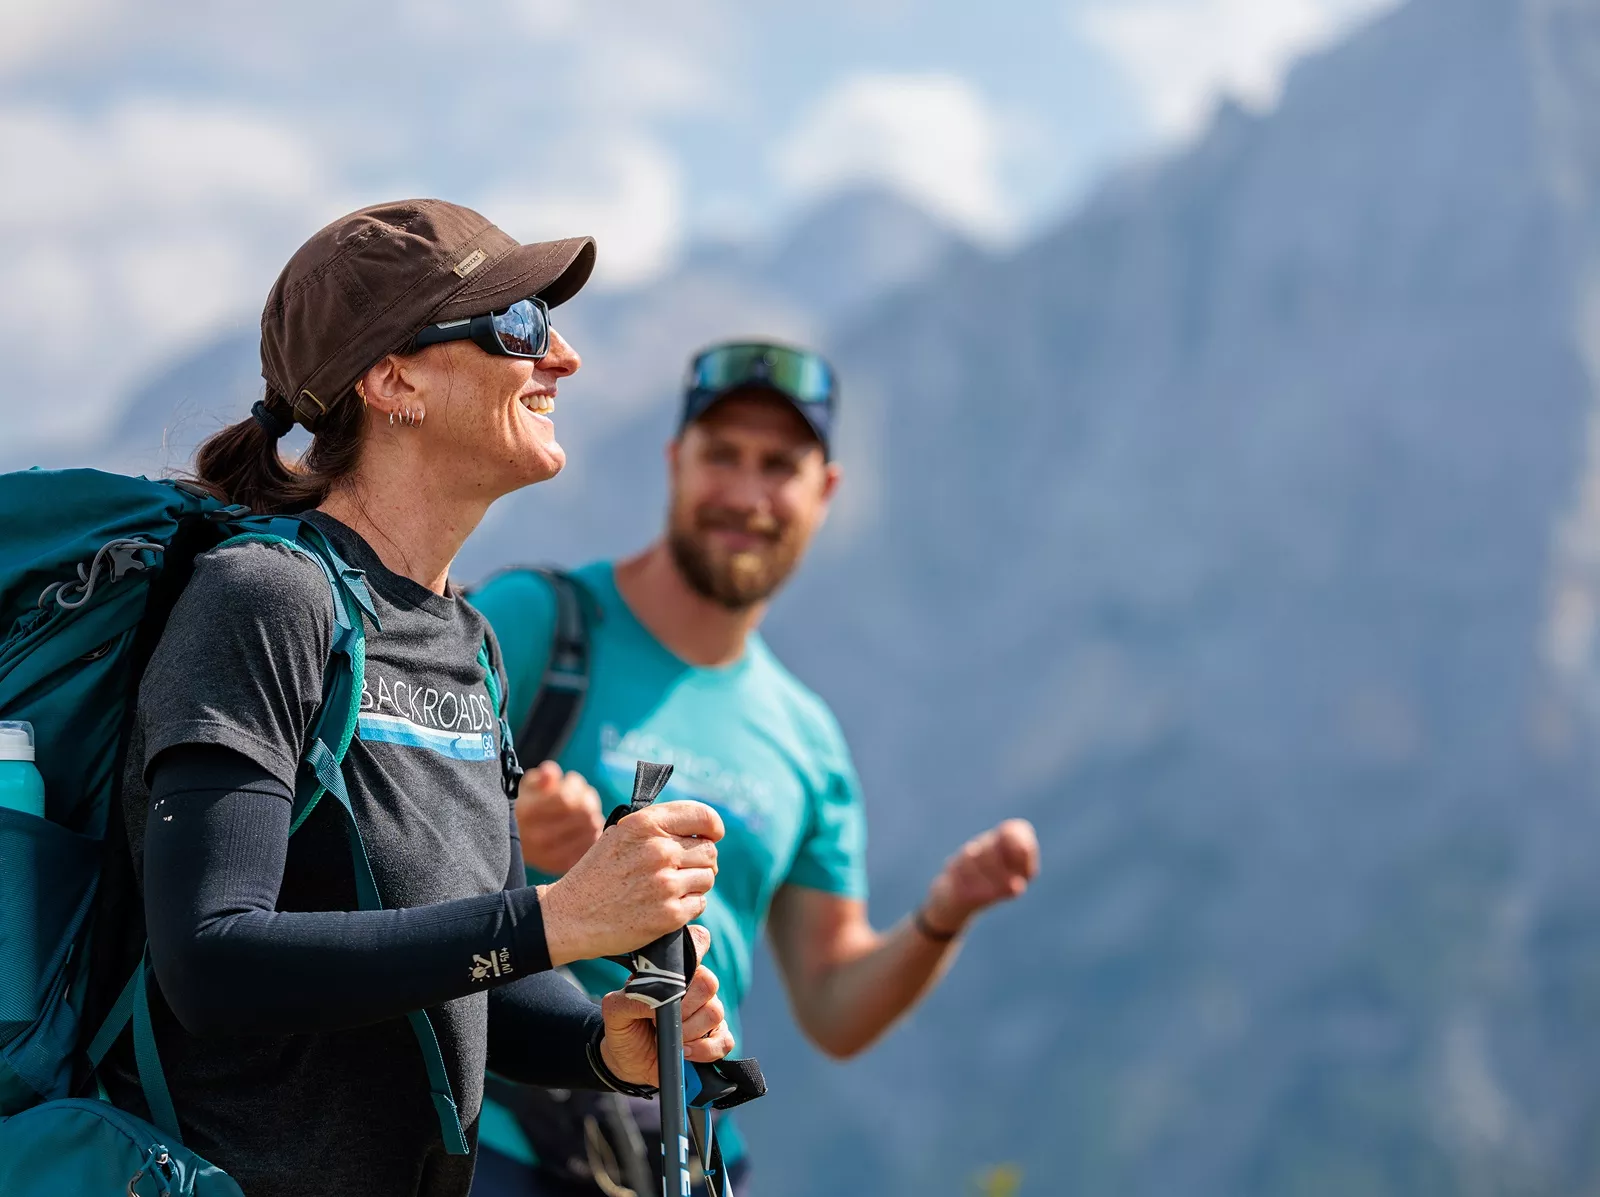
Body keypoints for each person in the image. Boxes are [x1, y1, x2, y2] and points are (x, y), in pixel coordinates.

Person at [94, 200, 736, 1197]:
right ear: (393, 381)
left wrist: (603, 1048)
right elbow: (211, 962)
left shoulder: (467, 642)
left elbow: (479, 984)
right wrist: (562, 917)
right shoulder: (265, 598)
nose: (560, 357)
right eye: (518, 326)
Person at [470, 340, 1041, 1194]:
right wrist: (507, 834)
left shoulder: (809, 742)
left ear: (827, 493)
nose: (745, 494)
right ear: (674, 463)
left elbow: (834, 1006)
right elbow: (366, 845)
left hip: (683, 1159)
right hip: (493, 1145)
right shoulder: (529, 623)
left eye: (779, 465)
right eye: (722, 455)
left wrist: (942, 916)